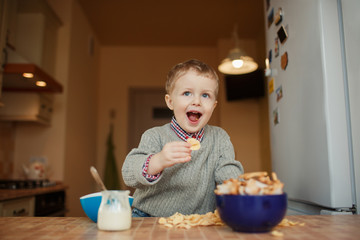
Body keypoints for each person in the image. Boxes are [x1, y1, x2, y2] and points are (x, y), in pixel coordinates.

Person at [122, 59, 244, 217]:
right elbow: (129, 174)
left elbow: (228, 173)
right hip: (147, 216)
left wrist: (238, 188)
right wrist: (158, 160)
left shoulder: (220, 139)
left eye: (205, 95)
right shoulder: (154, 136)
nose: (196, 101)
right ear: (170, 102)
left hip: (198, 221)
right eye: (187, 93)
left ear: (214, 106)